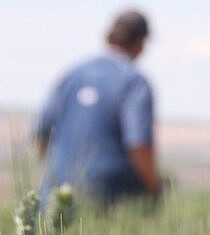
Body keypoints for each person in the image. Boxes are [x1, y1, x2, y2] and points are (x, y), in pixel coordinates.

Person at [34, 9, 162, 208]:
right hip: (111, 200)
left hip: (56, 197)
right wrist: (155, 188)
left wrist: (54, 179)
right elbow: (139, 145)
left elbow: (41, 135)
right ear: (140, 42)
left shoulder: (71, 75)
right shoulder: (134, 82)